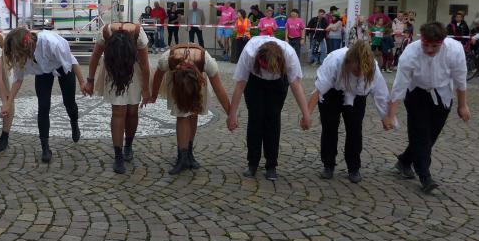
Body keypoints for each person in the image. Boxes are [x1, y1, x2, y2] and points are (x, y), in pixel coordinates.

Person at [383, 22, 470, 193]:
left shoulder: (455, 50)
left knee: (430, 136)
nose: (429, 50)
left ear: (442, 42)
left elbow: (460, 79)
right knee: (421, 133)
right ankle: (425, 176)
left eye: (434, 46)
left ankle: (404, 161)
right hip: (417, 93)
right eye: (426, 45)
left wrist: (462, 105)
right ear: (421, 40)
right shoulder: (410, 53)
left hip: (443, 94)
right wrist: (391, 115)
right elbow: (400, 86)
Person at [227, 36, 311, 180]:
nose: (268, 72)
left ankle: (271, 165)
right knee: (255, 118)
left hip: (278, 83)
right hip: (255, 81)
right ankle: (252, 163)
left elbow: (296, 86)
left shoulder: (289, 55)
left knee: (273, 119)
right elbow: (240, 84)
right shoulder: (249, 52)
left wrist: (306, 115)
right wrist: (232, 115)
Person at [308, 40, 390, 183]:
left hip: (357, 94)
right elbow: (319, 89)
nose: (359, 73)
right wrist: (307, 114)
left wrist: (386, 117)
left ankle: (354, 167)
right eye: (357, 69)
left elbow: (381, 93)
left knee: (355, 129)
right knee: (329, 126)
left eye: (363, 70)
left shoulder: (373, 67)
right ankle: (328, 164)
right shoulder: (335, 61)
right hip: (331, 91)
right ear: (350, 61)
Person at [3, 28, 84, 163]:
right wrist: (8, 103)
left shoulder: (51, 42)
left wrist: (82, 82)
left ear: (26, 44)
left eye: (18, 53)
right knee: (43, 106)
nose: (17, 56)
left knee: (69, 102)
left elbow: (71, 61)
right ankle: (45, 147)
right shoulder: (20, 54)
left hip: (62, 65)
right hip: (42, 72)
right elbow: (17, 80)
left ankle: (74, 122)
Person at [149, 43, 230, 174]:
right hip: (178, 83)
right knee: (182, 115)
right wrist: (153, 96)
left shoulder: (207, 61)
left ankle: (188, 153)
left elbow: (219, 89)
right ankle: (182, 157)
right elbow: (158, 76)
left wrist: (231, 114)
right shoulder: (167, 59)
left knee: (194, 112)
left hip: (197, 82)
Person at [84, 22, 151, 173]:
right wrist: (90, 80)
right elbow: (95, 56)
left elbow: (145, 65)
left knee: (132, 111)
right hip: (113, 70)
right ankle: (118, 155)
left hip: (134, 71)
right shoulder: (105, 32)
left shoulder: (138, 34)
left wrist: (146, 89)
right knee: (118, 112)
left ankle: (128, 146)